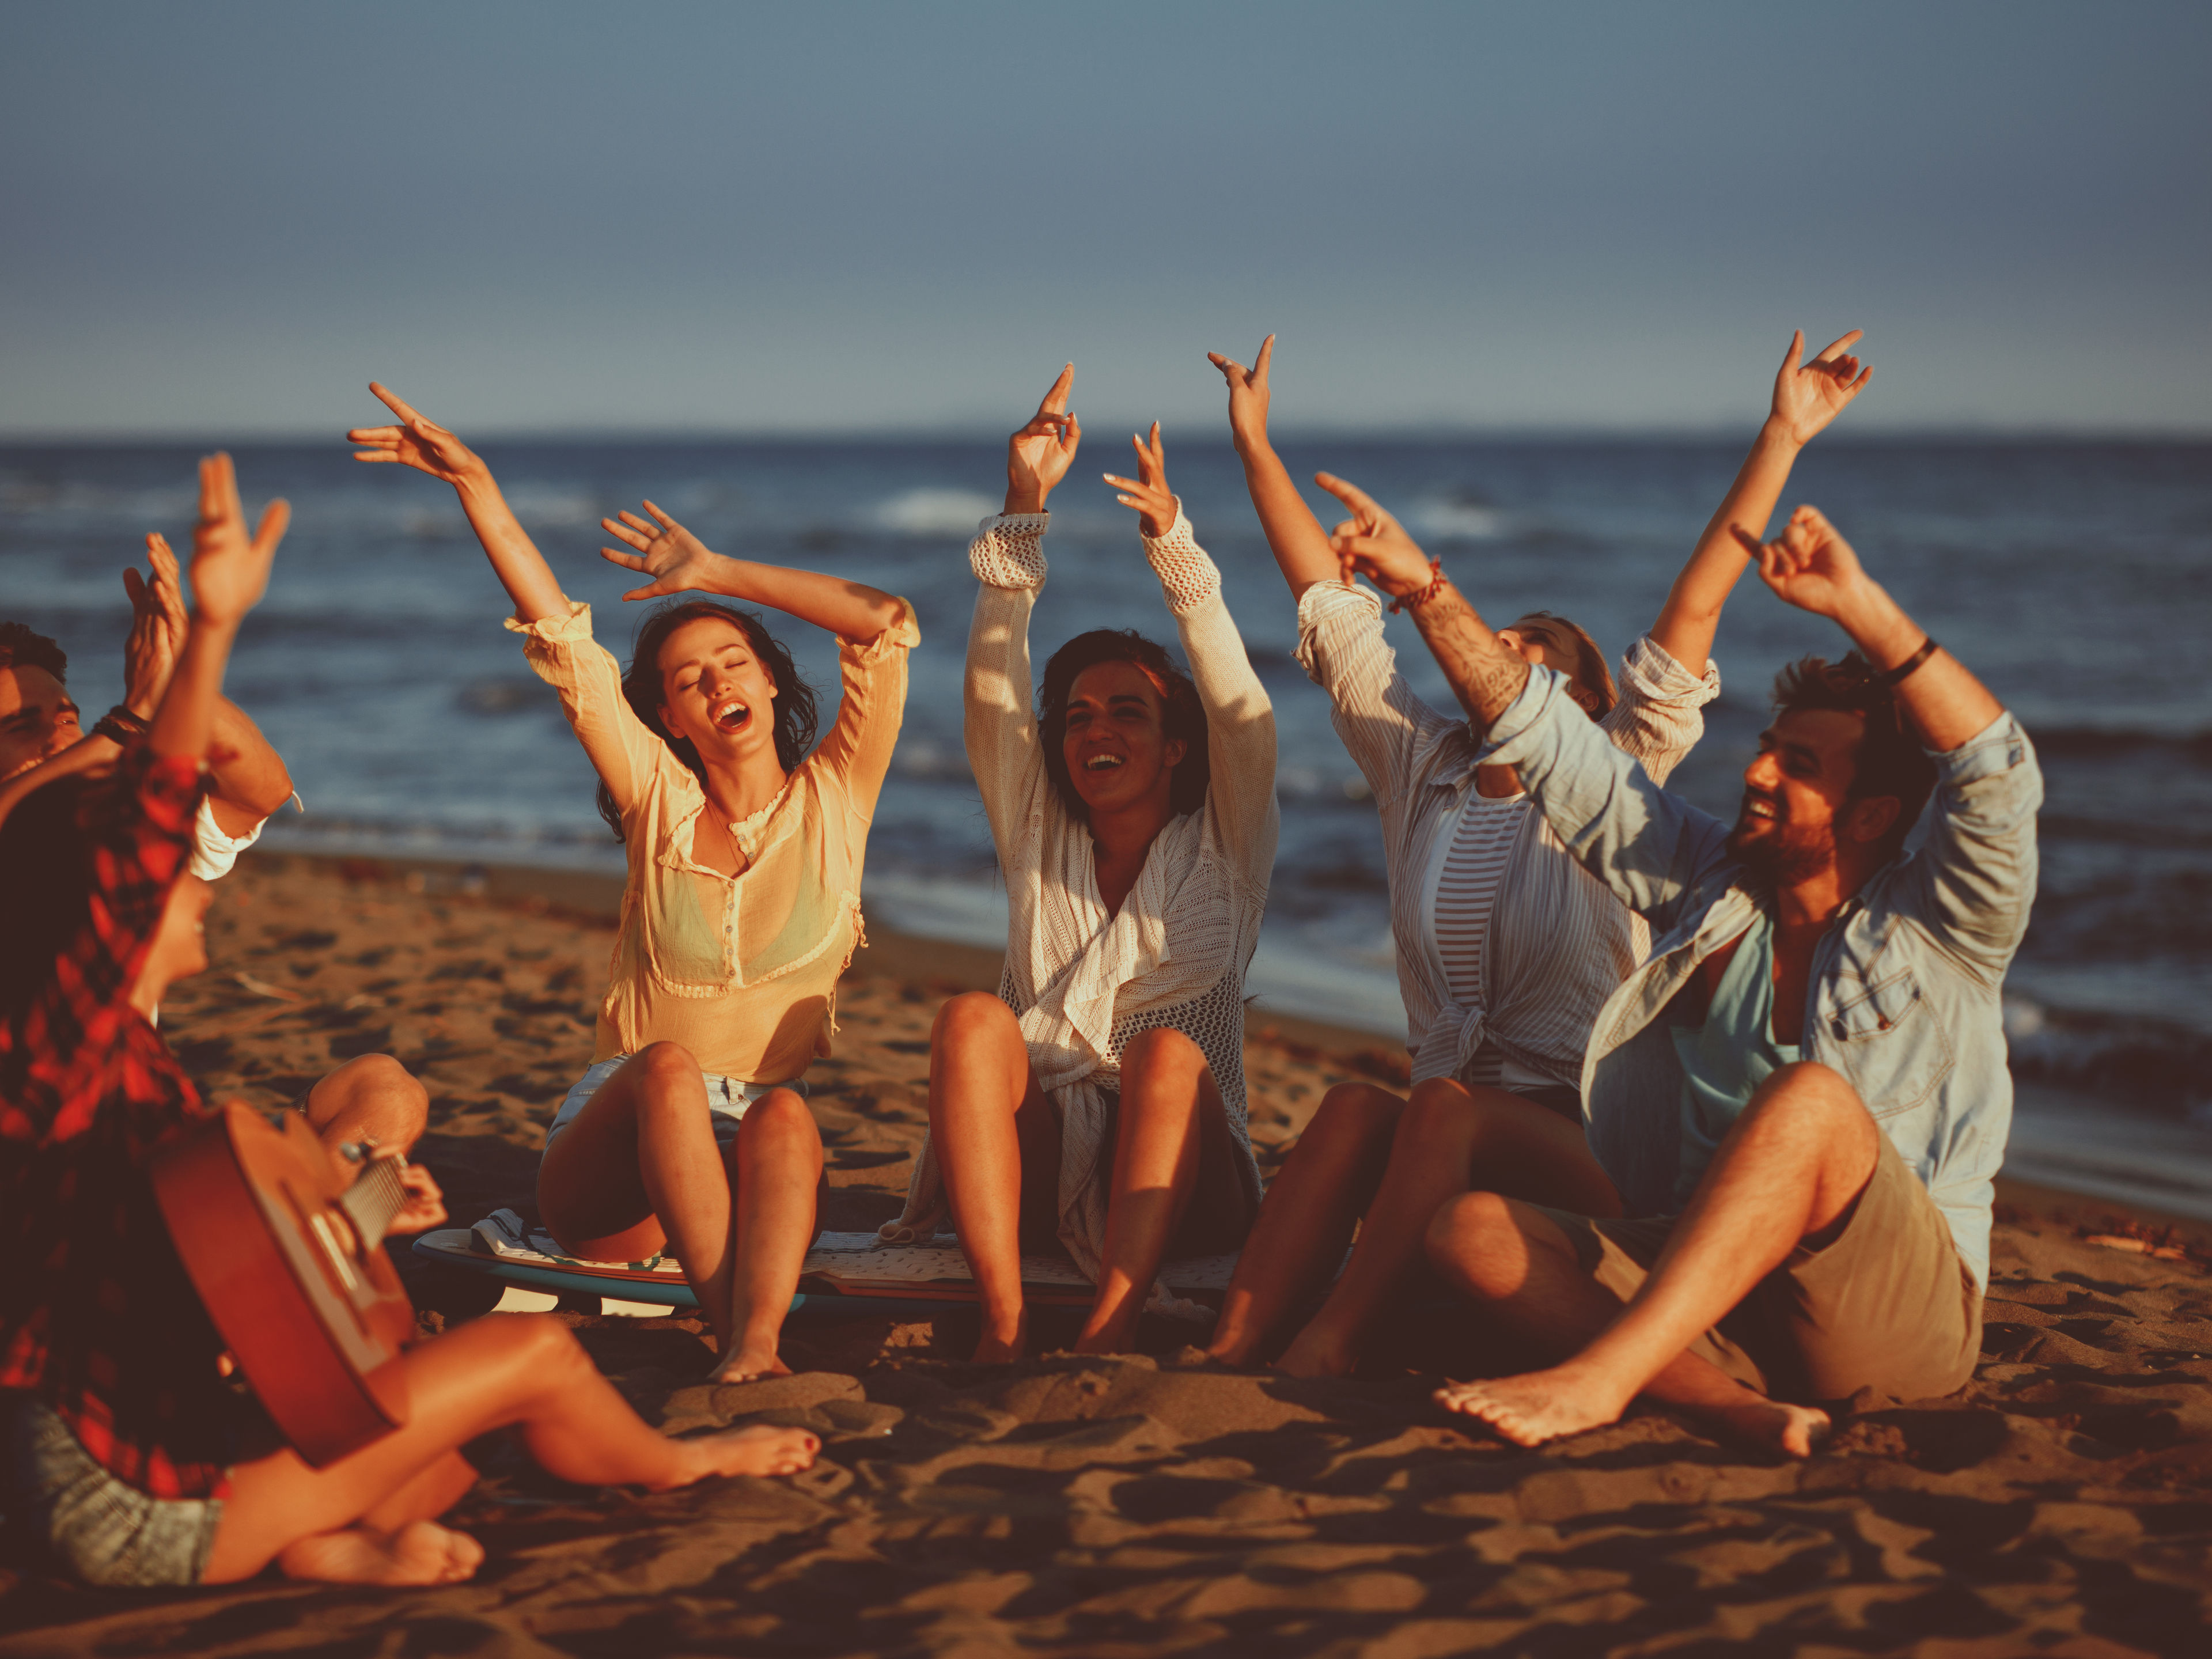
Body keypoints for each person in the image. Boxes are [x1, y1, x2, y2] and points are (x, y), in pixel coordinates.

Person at [1, 455, 819, 1592]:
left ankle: (321, 1538)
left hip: (143, 1439)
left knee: (434, 1464)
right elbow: (143, 832)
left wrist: (360, 1210)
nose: (196, 890)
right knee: (534, 1358)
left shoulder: (113, 1056)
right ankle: (682, 1463)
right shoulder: (72, 1028)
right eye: (169, 887)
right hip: (128, 1499)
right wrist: (206, 644)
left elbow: (199, 1269)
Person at [1204, 331, 1872, 1376]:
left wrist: (1783, 434)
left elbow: (1698, 603)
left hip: (1587, 1147)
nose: (1495, 655)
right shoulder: (1418, 767)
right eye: (1495, 640)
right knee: (1351, 1108)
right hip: (1444, 1133)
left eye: (1528, 653)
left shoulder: (1624, 771)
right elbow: (1328, 610)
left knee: (1439, 1104)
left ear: (1586, 702)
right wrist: (1254, 441)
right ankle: (1237, 1344)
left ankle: (1332, 1342)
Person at [1372, 501, 2037, 1456]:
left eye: (1797, 766)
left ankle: (1605, 1376)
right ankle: (1726, 1406)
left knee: (1809, 1100)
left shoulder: (1944, 928)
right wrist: (1426, 592)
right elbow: (1549, 740)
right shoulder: (1711, 885)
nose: (1758, 774)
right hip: (1717, 1289)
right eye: (1768, 749)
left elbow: (1997, 776)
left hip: (1888, 1317)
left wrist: (1858, 604)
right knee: (1471, 1232)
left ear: (1869, 815)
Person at [349, 383, 918, 1384]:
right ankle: (737, 1337)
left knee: (787, 1111)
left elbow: (885, 624)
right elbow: (563, 640)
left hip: (755, 1156)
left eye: (734, 662)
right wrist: (477, 487)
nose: (719, 683)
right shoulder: (658, 801)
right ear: (670, 719)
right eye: (691, 680)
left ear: (769, 680)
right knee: (664, 1067)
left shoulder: (837, 800)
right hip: (615, 1165)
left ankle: (755, 1345)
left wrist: (721, 571)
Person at [881, 368, 1278, 1362]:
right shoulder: (1037, 831)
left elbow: (1243, 712)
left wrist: (1175, 551)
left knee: (1165, 1056)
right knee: (974, 1019)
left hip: (1189, 1187)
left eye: (1127, 712)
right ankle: (1004, 1318)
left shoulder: (1228, 843)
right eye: (1078, 716)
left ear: (1176, 744)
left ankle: (1113, 1324)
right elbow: (993, 683)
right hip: (1040, 1147)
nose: (1097, 729)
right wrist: (1025, 504)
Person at [2, 540, 431, 1162]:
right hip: (53, 1164)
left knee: (385, 1092)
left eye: (68, 719)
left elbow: (259, 791)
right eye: (22, 727)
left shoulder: (119, 820)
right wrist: (132, 721)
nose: (59, 739)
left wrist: (182, 681)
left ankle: (325, 1215)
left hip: (146, 1147)